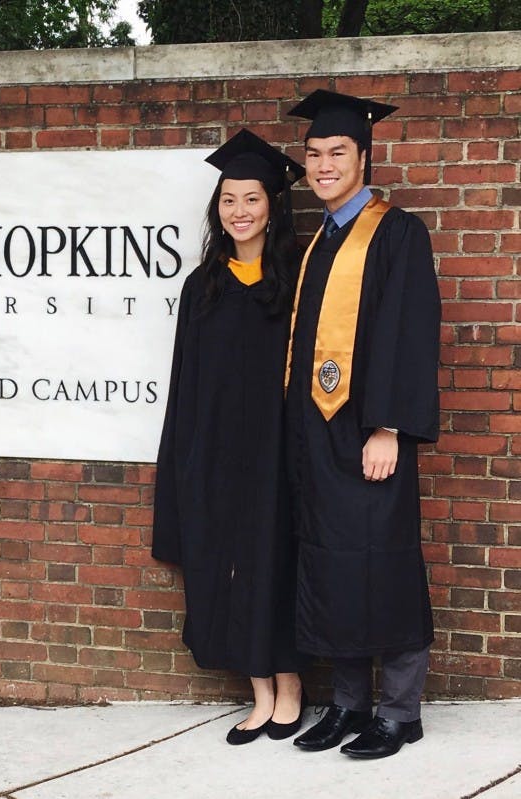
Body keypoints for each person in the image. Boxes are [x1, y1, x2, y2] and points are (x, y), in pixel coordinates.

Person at [284, 90, 441, 759]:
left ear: (364, 156)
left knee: (387, 564)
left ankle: (400, 711)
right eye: (314, 154)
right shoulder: (320, 240)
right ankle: (349, 705)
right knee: (332, 565)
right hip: (319, 434)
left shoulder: (397, 232)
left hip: (369, 433)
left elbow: (409, 333)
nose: (322, 165)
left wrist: (389, 427)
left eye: (336, 153)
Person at [153, 129, 308, 745]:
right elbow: (185, 377)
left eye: (251, 198)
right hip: (217, 451)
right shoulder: (204, 285)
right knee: (233, 566)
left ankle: (290, 684)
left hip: (278, 451)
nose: (239, 211)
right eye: (228, 200)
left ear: (273, 204)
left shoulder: (296, 279)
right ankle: (260, 691)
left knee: (279, 559)